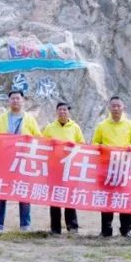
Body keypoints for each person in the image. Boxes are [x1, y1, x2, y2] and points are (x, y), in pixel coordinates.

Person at [0, 89, 42, 233]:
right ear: (9, 101)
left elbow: (38, 137)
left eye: (18, 98)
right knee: (1, 193)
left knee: (23, 192)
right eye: (13, 98)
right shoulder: (1, 118)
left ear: (23, 100)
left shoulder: (29, 119)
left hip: (23, 162)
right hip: (5, 161)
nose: (15, 101)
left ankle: (25, 225)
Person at [93, 96, 131, 238]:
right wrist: (102, 148)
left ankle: (126, 230)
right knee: (107, 198)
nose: (115, 108)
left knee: (124, 198)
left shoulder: (130, 125)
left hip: (125, 167)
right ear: (109, 108)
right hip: (107, 168)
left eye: (118, 106)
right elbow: (95, 143)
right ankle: (106, 230)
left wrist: (130, 147)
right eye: (113, 106)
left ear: (123, 107)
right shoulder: (102, 125)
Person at [41, 101, 84, 235]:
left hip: (69, 169)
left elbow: (81, 144)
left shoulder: (75, 127)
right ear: (56, 112)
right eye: (60, 109)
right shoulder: (50, 128)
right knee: (55, 199)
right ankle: (55, 229)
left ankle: (72, 227)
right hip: (54, 168)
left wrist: (73, 147)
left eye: (65, 110)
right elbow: (43, 144)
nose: (62, 112)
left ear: (68, 112)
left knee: (69, 198)